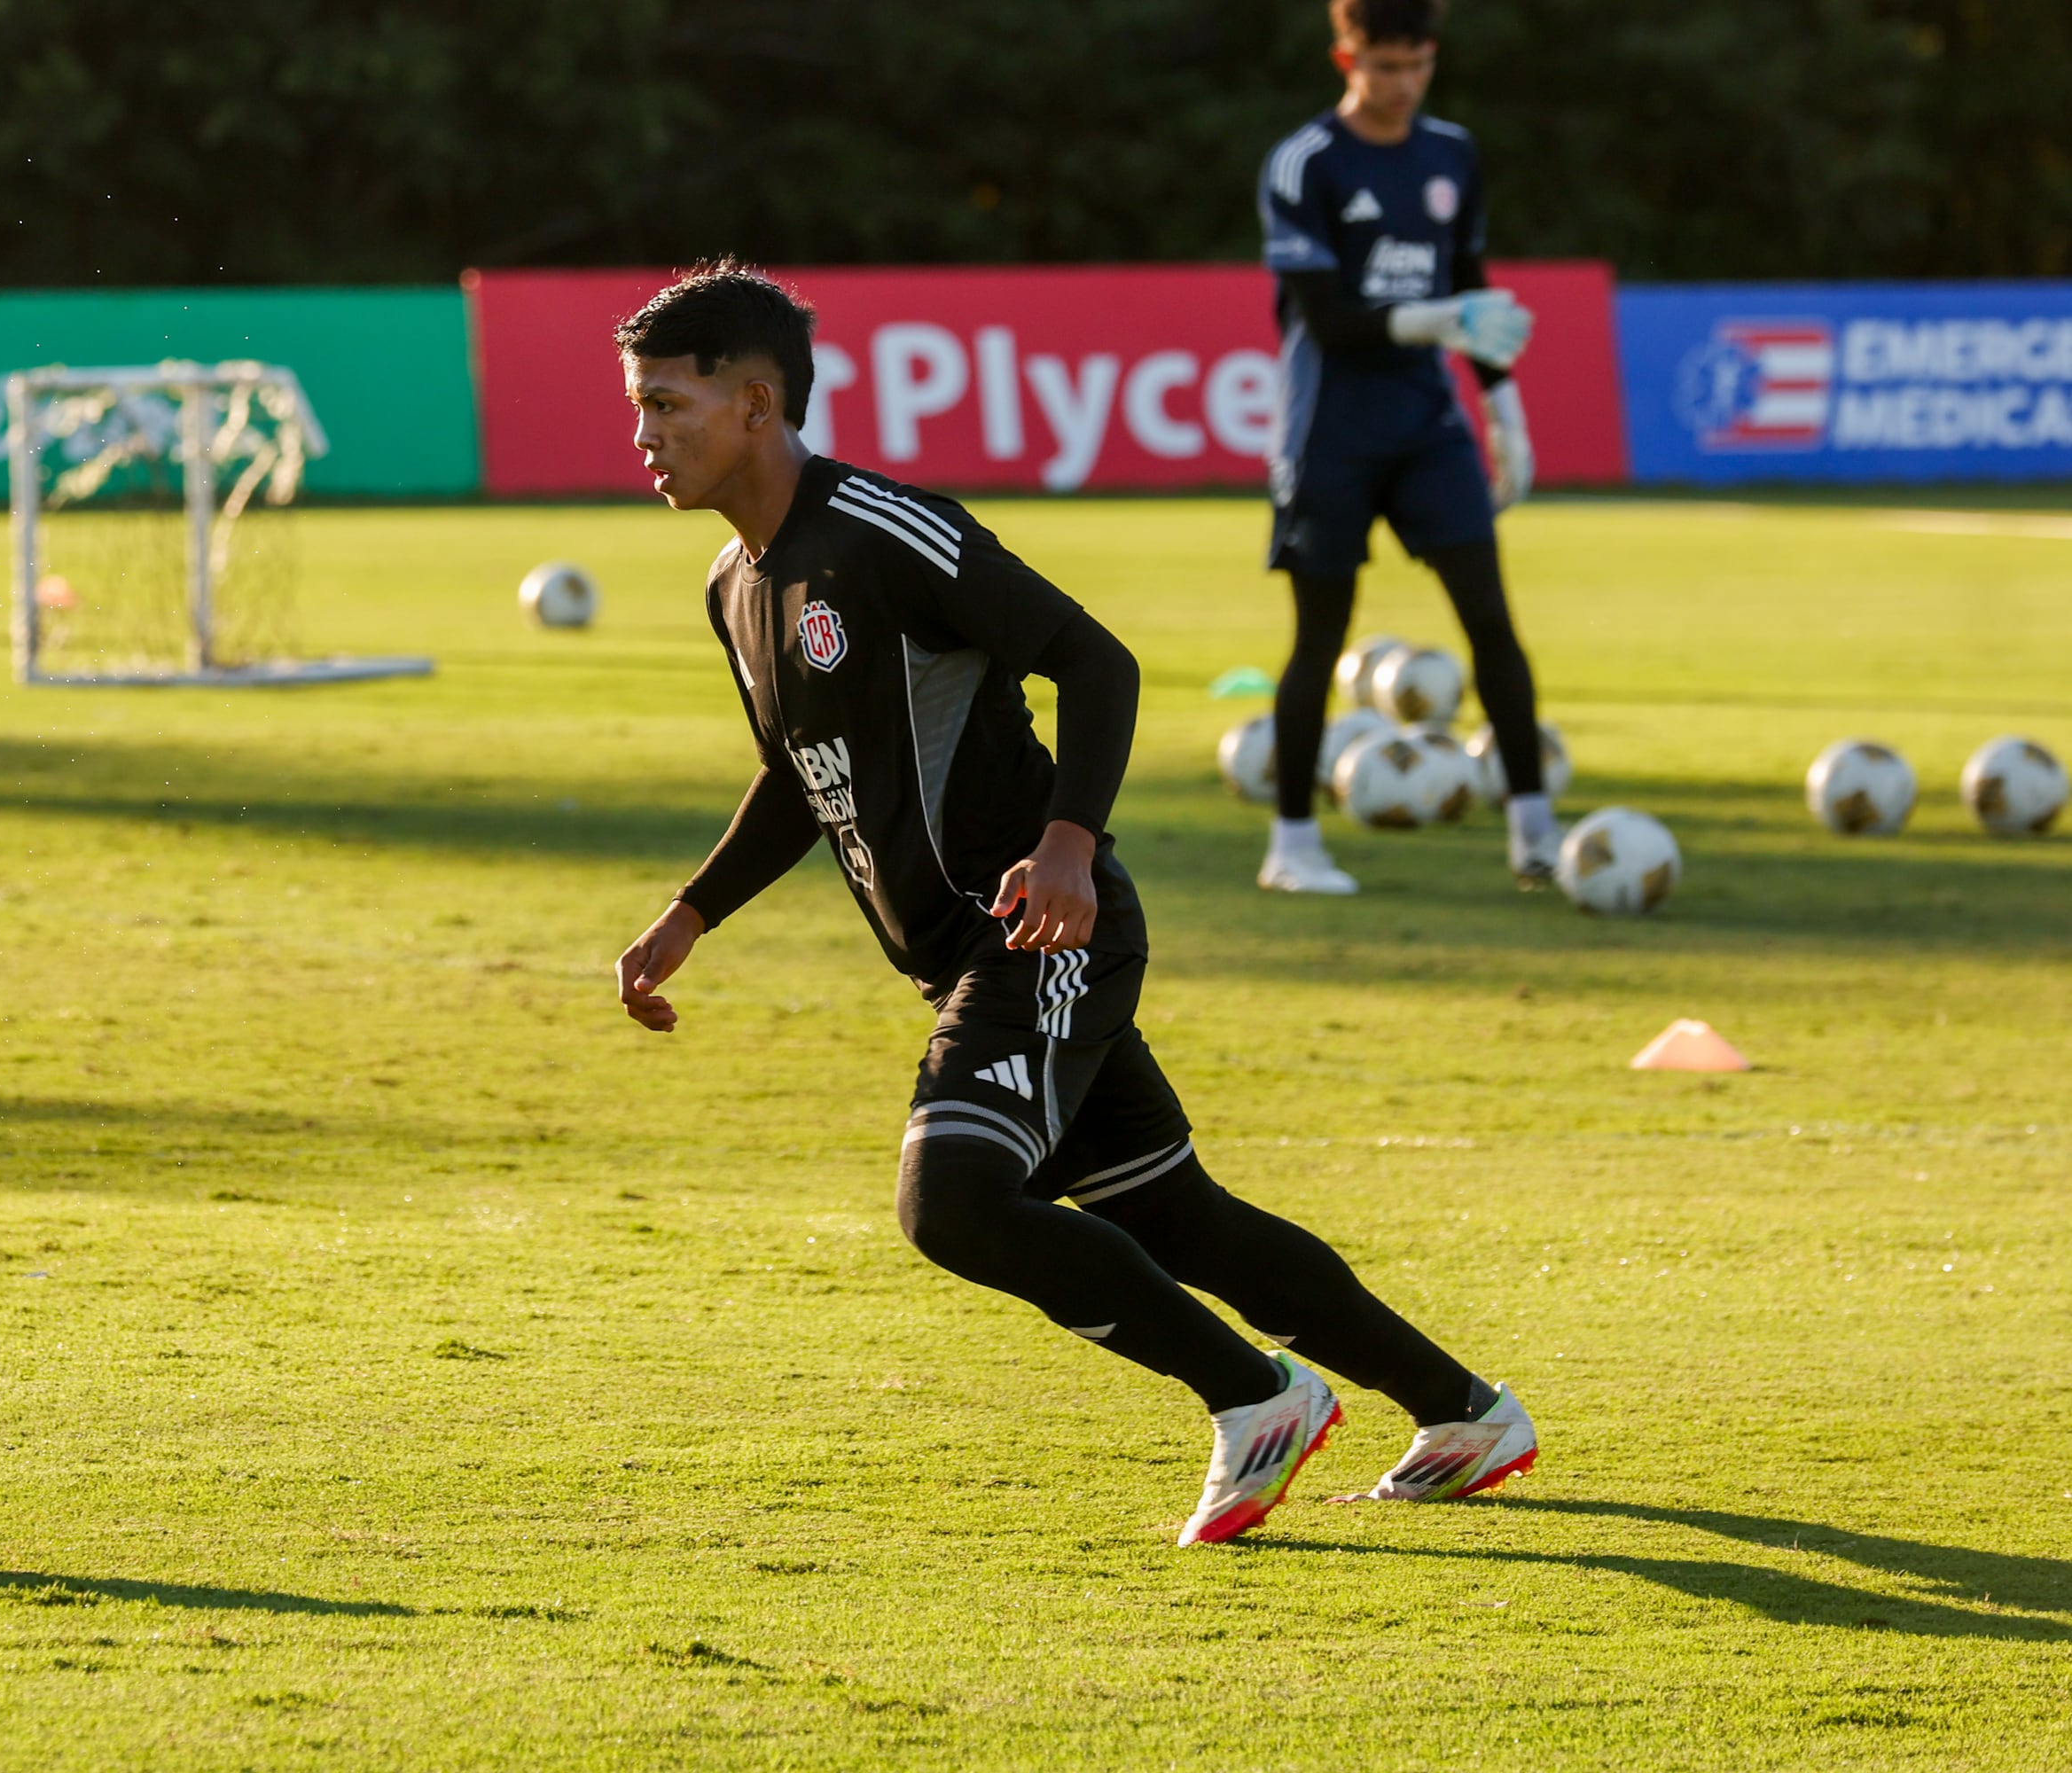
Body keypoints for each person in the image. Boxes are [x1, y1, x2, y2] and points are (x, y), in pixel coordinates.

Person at [608, 262, 1536, 1543]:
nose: (644, 434)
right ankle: (1464, 1411)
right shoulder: (736, 585)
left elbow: (1097, 660)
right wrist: (692, 913)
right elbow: (799, 774)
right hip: (966, 959)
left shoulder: (887, 532)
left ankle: (1253, 1397)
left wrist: (1067, 848)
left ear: (758, 404)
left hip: (1043, 933)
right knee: (1181, 1218)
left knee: (953, 1203)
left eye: (667, 404)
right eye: (639, 405)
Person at [1256, 0, 1560, 894]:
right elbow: (1329, 320)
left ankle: (1535, 832)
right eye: (1383, 66)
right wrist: (1441, 320)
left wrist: (1503, 406)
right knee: (1319, 638)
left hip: (1429, 426)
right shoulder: (1304, 162)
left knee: (1492, 621)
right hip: (1330, 435)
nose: (1401, 85)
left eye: (1417, 64)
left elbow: (1471, 283)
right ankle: (1294, 842)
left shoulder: (1452, 152)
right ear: (1343, 56)